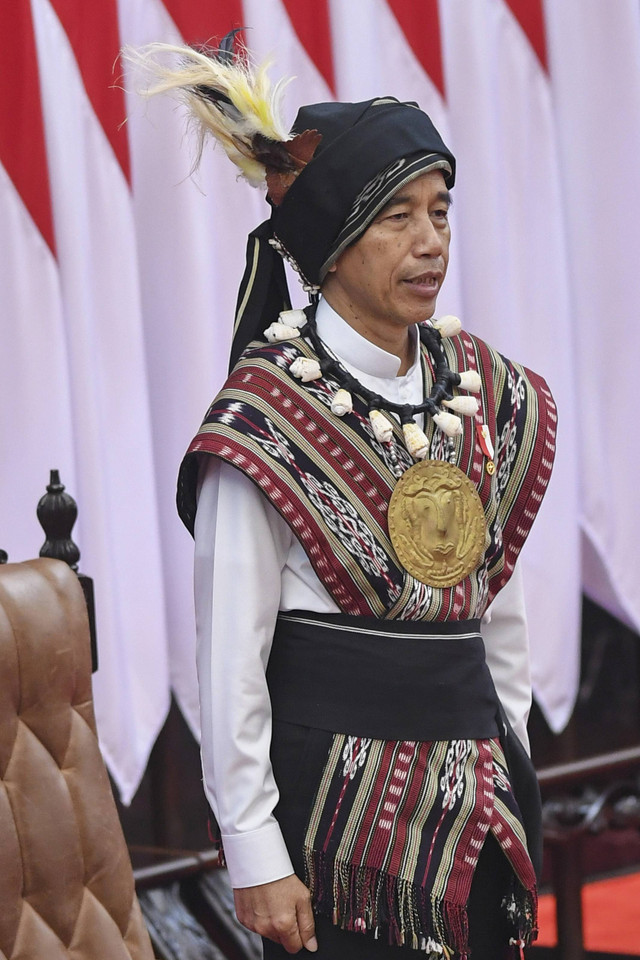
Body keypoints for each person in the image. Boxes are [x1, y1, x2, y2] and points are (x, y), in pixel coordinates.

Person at [141, 33, 557, 960]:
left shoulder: (482, 385)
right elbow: (231, 658)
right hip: (340, 836)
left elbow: (498, 610)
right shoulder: (266, 416)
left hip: (482, 815)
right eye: (397, 216)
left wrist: (512, 766)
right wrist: (255, 854)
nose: (429, 242)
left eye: (441, 212)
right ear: (331, 241)